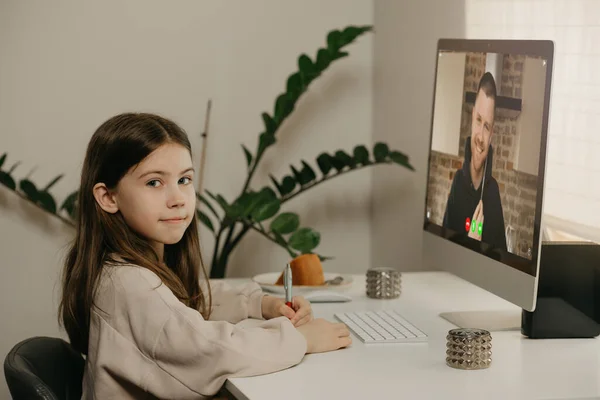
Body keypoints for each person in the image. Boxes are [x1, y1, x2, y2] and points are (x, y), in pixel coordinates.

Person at [58, 112, 351, 399]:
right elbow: (209, 350)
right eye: (154, 183)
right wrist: (302, 339)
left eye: (184, 180)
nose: (177, 199)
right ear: (108, 197)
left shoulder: (121, 268)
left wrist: (261, 304)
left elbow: (186, 301)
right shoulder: (130, 284)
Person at [442, 72, 507, 251]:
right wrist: (470, 243)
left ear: (492, 133)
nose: (480, 136)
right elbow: (443, 253)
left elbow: (501, 263)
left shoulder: (493, 192)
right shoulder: (457, 183)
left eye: (486, 126)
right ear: (472, 117)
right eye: (478, 120)